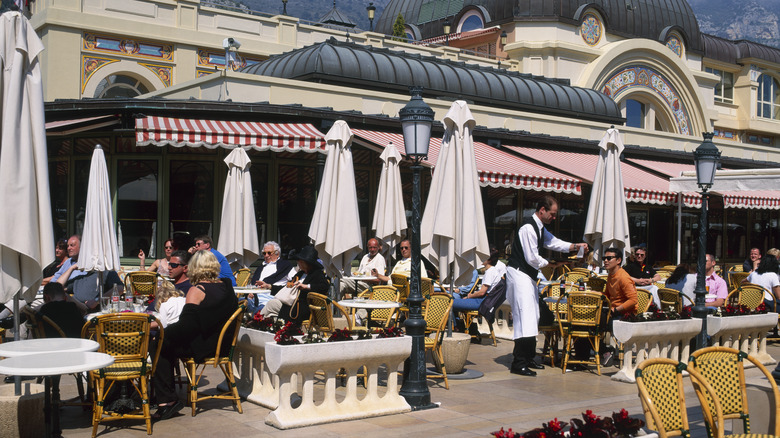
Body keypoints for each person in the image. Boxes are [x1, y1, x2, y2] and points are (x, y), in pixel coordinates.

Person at [152, 250, 238, 421]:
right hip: (223, 345)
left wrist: (162, 332)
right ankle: (166, 396)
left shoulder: (197, 290)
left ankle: (166, 401)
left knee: (158, 344)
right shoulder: (227, 285)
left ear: (194, 268)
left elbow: (186, 326)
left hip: (203, 346)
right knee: (165, 341)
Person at [506, 195, 587, 376]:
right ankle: (518, 363)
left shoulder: (540, 227)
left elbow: (554, 242)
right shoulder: (528, 227)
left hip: (527, 275)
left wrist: (575, 246)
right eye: (552, 213)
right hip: (519, 274)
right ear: (542, 210)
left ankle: (527, 358)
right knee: (525, 317)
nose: (554, 217)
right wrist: (550, 262)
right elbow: (532, 257)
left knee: (533, 316)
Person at [575, 247, 637, 366]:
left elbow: (633, 300)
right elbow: (608, 295)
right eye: (604, 258)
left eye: (609, 258)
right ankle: (584, 357)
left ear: (618, 260)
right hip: (611, 312)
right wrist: (596, 293)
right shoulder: (611, 275)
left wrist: (615, 310)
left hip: (624, 316)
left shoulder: (623, 277)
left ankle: (590, 356)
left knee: (588, 324)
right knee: (581, 321)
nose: (605, 261)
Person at [260, 245, 329, 325]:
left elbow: (324, 287)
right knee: (272, 303)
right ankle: (263, 323)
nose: (298, 262)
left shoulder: (317, 274)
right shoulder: (300, 273)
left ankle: (260, 323)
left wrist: (306, 286)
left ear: (306, 262)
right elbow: (286, 289)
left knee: (272, 305)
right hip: (290, 303)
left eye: (300, 261)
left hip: (303, 307)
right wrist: (269, 286)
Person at [52, 234, 123, 310]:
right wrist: (71, 268)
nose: (68, 248)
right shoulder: (80, 276)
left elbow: (120, 288)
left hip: (88, 310)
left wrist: (97, 300)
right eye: (68, 246)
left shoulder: (104, 270)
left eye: (72, 245)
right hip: (74, 308)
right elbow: (57, 286)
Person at [245, 241, 295, 315]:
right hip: (254, 297)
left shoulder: (285, 265)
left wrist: (272, 287)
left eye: (269, 253)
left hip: (269, 298)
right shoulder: (261, 266)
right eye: (264, 253)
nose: (266, 255)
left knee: (257, 313)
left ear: (277, 253)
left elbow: (294, 282)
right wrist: (250, 292)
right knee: (235, 303)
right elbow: (253, 283)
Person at [453, 246, 505, 312]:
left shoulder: (490, 272)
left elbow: (482, 292)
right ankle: (455, 321)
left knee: (450, 303)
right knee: (453, 303)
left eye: (484, 257)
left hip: (483, 301)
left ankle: (454, 322)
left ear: (489, 260)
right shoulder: (492, 270)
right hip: (486, 300)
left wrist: (469, 296)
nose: (481, 258)